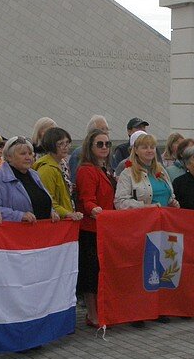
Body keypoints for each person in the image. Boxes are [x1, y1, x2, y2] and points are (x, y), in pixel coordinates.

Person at [76, 129, 117, 326]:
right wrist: (95, 210)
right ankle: (92, 314)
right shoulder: (86, 170)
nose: (104, 148)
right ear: (90, 147)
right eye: (99, 144)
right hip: (91, 229)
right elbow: (86, 200)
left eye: (107, 144)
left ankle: (101, 310)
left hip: (106, 227)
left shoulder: (106, 169)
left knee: (102, 272)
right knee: (91, 273)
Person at [0, 136, 61, 222]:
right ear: (9, 157)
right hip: (13, 232)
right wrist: (19, 216)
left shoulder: (35, 175)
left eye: (30, 153)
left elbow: (42, 200)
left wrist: (51, 212)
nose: (28, 157)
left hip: (41, 231)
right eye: (23, 154)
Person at [115, 131, 179, 209]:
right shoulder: (127, 173)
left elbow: (170, 197)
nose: (149, 150)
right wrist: (146, 207)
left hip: (164, 218)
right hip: (143, 219)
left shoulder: (161, 170)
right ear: (135, 150)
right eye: (145, 147)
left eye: (152, 147)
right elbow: (120, 202)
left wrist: (172, 203)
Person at [32, 127, 83, 220]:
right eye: (60, 144)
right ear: (51, 145)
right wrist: (67, 213)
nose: (66, 147)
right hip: (56, 222)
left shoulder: (62, 164)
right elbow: (49, 201)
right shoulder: (47, 169)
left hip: (66, 218)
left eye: (67, 143)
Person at [69, 115, 109, 186]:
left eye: (107, 129)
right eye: (102, 129)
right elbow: (75, 182)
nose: (106, 132)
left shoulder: (107, 152)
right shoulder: (79, 154)